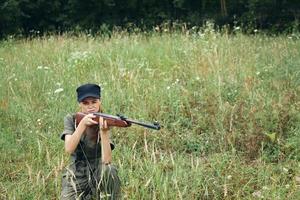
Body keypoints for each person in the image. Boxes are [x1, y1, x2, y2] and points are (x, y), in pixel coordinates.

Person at [60, 83, 121, 199]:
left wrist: (104, 132)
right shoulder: (71, 119)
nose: (90, 106)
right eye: (85, 103)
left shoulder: (105, 120)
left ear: (100, 101)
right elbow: (69, 149)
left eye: (94, 102)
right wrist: (82, 125)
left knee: (110, 170)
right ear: (79, 104)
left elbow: (107, 160)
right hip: (77, 173)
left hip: (99, 170)